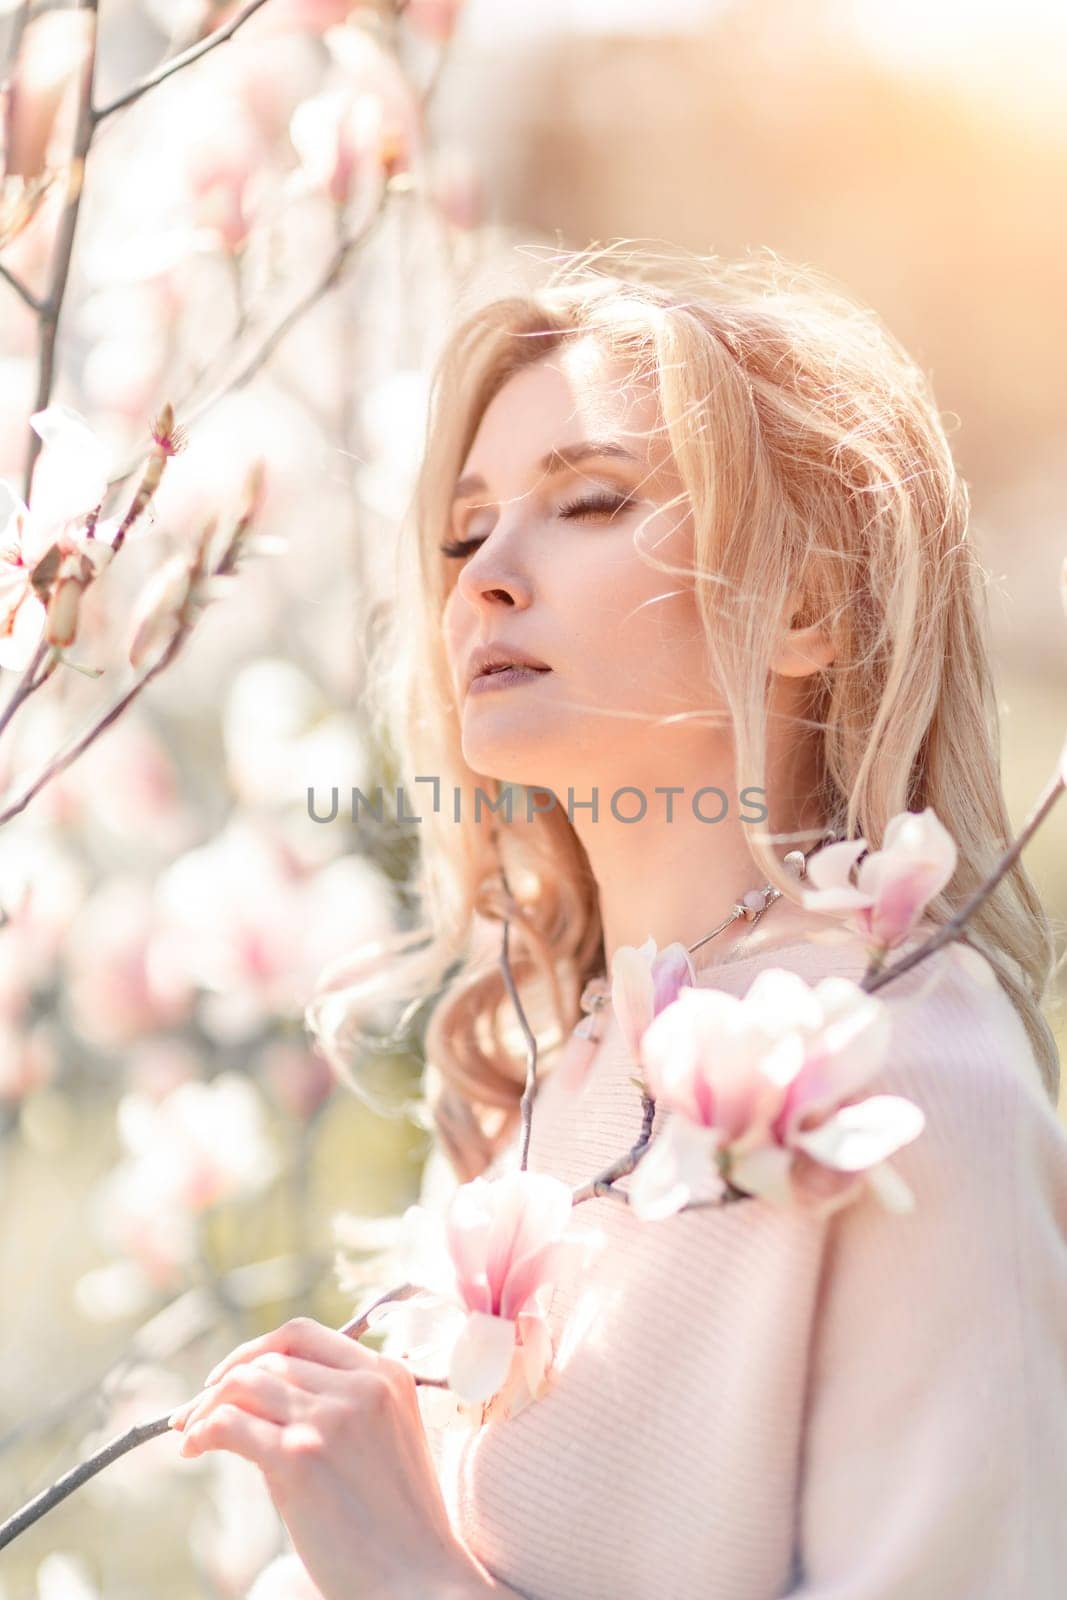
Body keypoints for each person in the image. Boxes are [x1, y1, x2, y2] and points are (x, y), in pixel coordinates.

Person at [183, 243, 1067, 1599]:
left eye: (588, 501)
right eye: (464, 529)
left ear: (808, 608)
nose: (485, 574)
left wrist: (411, 1573)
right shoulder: (540, 1070)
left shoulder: (911, 1089)